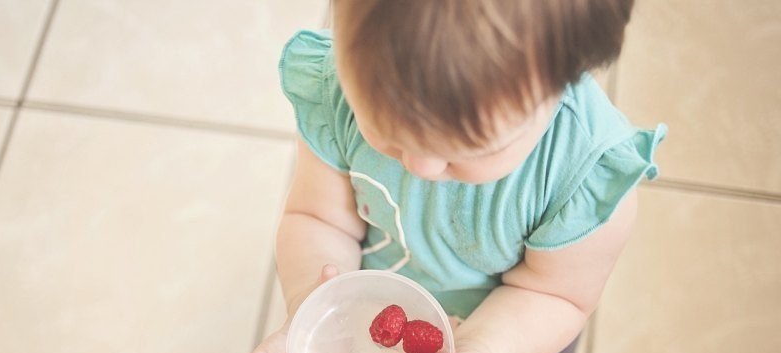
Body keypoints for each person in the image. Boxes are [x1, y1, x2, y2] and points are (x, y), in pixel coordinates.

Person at [254, 1, 666, 352]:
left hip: (513, 328)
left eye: (466, 152)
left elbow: (554, 295)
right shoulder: (338, 92)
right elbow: (319, 219)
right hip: (375, 295)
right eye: (386, 130)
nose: (420, 166)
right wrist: (312, 301)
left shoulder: (583, 176)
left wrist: (478, 344)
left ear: (569, 79)